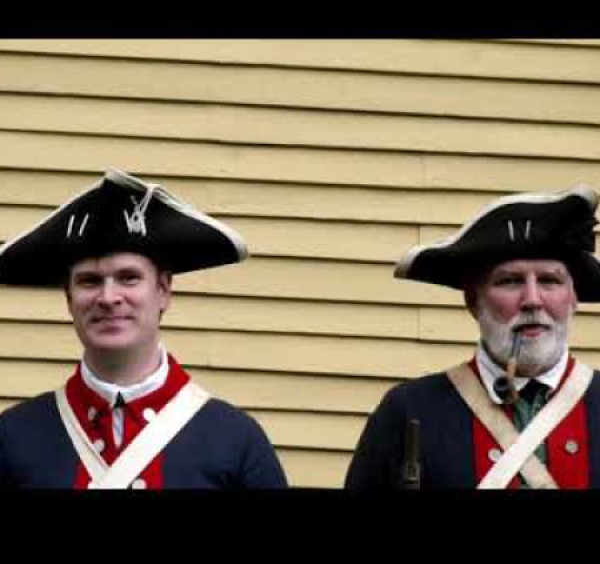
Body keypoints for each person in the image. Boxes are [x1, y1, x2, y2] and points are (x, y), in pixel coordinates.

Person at [0, 169, 287, 489]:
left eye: (129, 278)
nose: (108, 298)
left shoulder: (236, 442)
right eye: (90, 281)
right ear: (69, 298)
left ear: (163, 290)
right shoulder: (13, 438)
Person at [345, 184, 600, 490]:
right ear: (473, 301)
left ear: (573, 297)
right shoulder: (408, 411)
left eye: (549, 280)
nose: (532, 300)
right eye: (510, 281)